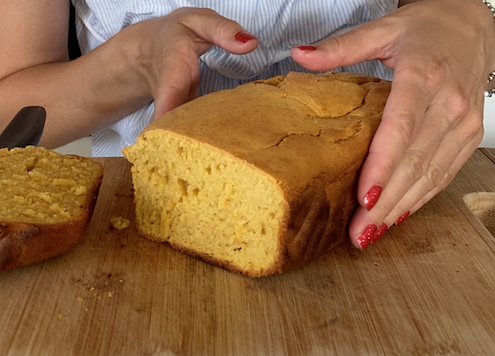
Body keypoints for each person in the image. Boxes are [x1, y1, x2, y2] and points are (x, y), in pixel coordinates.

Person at [0, 0, 494, 249]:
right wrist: (133, 64)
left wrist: (467, 20)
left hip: (399, 186)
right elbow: (10, 106)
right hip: (134, 204)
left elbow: (450, 14)